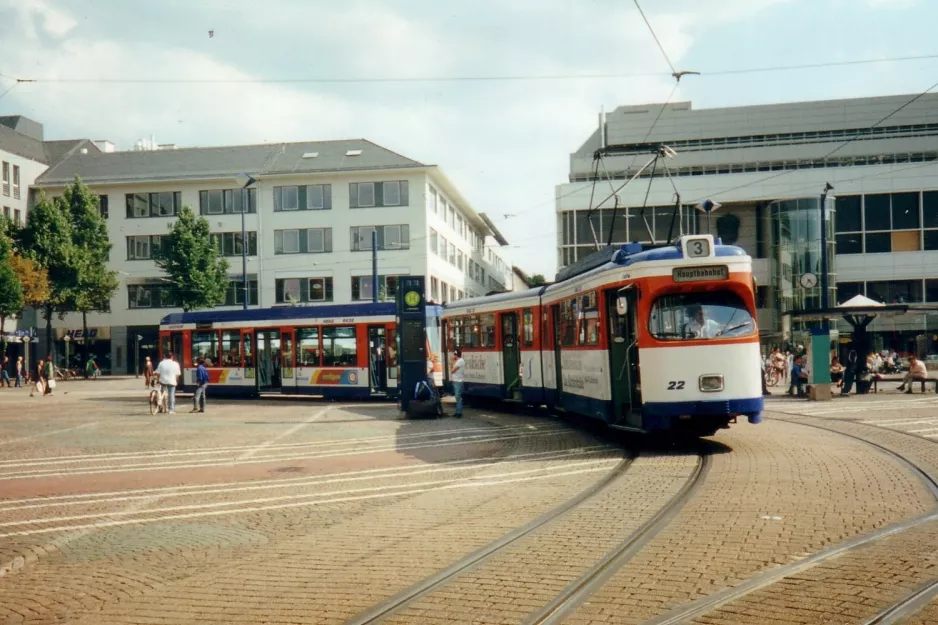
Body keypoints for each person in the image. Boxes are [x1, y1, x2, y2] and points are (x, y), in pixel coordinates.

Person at [450, 347, 466, 418]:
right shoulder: (459, 361)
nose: (453, 356)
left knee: (458, 397)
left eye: (454, 355)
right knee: (457, 397)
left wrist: (451, 361)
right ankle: (457, 411)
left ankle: (459, 413)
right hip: (456, 380)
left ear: (456, 355)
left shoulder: (460, 361)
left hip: (458, 381)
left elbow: (452, 370)